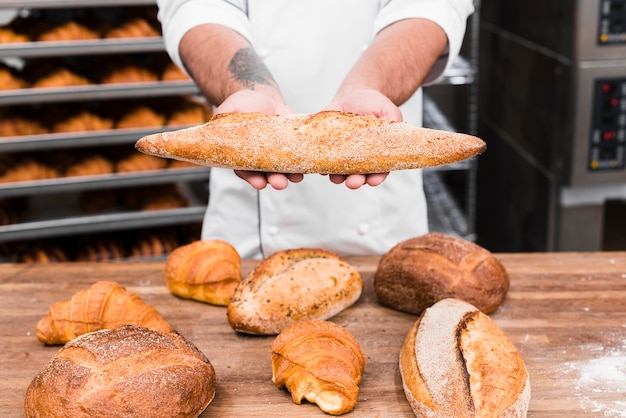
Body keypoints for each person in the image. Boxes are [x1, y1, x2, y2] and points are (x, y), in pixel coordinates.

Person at [156, 0, 475, 259]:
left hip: (382, 238)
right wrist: (249, 88)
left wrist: (369, 87)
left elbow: (429, 7)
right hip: (247, 244)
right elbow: (197, 8)